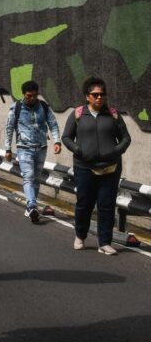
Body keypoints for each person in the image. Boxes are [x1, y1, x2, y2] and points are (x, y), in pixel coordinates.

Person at [61, 76, 131, 254]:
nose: (99, 98)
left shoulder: (113, 114)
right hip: (84, 167)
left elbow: (126, 138)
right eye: (95, 94)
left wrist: (116, 151)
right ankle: (80, 236)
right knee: (84, 204)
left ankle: (105, 242)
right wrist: (79, 150)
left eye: (102, 94)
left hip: (110, 168)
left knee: (107, 205)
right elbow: (66, 137)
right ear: (87, 96)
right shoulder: (78, 114)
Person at [4, 80, 61, 223]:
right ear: (23, 94)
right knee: (28, 176)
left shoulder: (43, 107)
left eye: (35, 95)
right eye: (29, 96)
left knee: (36, 178)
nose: (32, 98)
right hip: (24, 148)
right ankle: (32, 205)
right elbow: (9, 128)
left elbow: (53, 124)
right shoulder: (16, 108)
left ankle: (31, 207)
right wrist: (8, 149)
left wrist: (57, 141)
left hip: (41, 148)